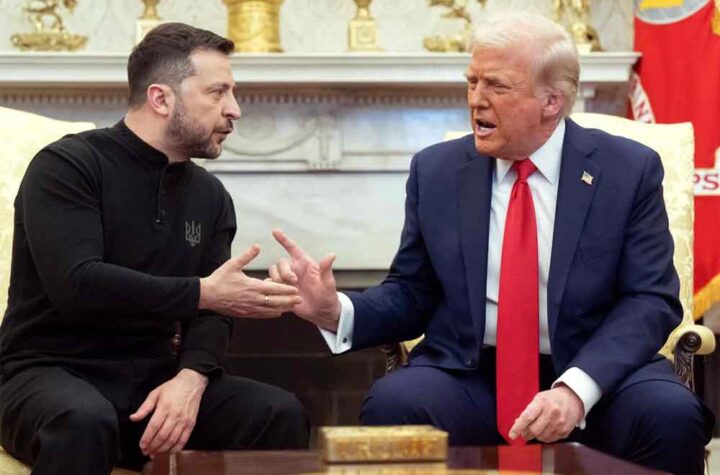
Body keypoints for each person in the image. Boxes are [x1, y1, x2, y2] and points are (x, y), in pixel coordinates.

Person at [268, 12, 713, 475]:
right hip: (471, 373)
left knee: (670, 416)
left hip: (597, 371)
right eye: (472, 81)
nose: (475, 99)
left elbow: (650, 299)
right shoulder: (437, 171)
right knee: (394, 403)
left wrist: (577, 389)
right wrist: (334, 310)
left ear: (552, 101)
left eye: (496, 86)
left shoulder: (627, 170)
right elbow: (412, 292)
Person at [0, 23, 309, 475]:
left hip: (153, 380)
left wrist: (191, 378)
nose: (235, 110)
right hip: (47, 373)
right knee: (82, 421)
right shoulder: (67, 166)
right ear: (161, 99)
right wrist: (202, 293)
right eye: (217, 93)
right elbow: (77, 283)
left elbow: (214, 311)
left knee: (277, 414)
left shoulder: (210, 196)